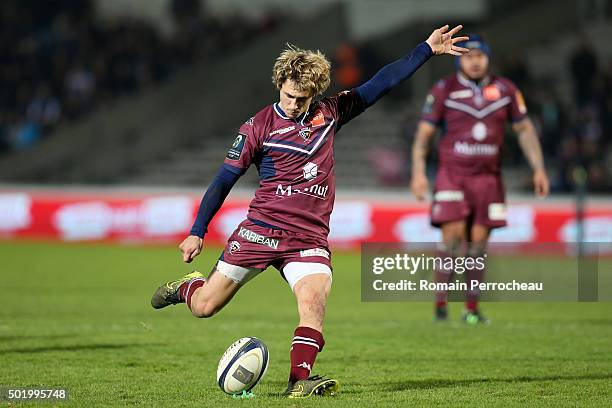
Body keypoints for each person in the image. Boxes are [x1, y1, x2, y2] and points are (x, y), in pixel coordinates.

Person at [151, 25, 469, 397]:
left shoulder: (331, 113)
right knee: (205, 307)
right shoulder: (257, 127)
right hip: (260, 230)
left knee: (314, 301)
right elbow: (224, 179)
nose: (293, 104)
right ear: (279, 84)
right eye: (288, 96)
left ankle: (299, 381)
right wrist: (197, 230)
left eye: (302, 99)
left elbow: (382, 83)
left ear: (315, 94)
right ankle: (190, 286)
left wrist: (425, 50)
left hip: (307, 237)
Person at [409, 35, 550, 324]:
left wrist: (538, 168)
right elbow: (424, 136)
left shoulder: (506, 90)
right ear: (460, 58)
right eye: (469, 56)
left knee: (478, 243)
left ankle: (471, 309)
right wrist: (418, 172)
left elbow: (524, 130)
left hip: (489, 178)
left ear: (488, 58)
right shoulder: (444, 89)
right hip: (453, 175)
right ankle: (440, 306)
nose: (474, 61)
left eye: (480, 56)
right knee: (452, 236)